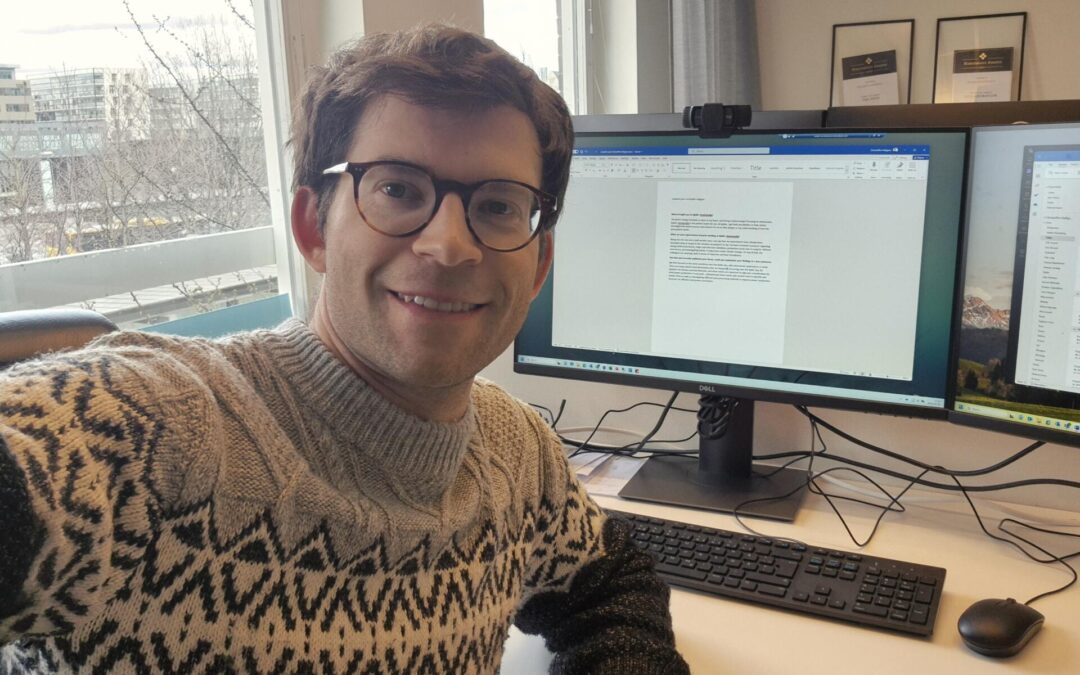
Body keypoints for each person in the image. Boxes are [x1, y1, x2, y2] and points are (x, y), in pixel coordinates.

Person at [0, 24, 688, 674]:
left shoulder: (518, 450)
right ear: (313, 226)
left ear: (538, 265)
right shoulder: (146, 428)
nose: (449, 244)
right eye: (397, 189)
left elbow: (611, 589)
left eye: (498, 205)